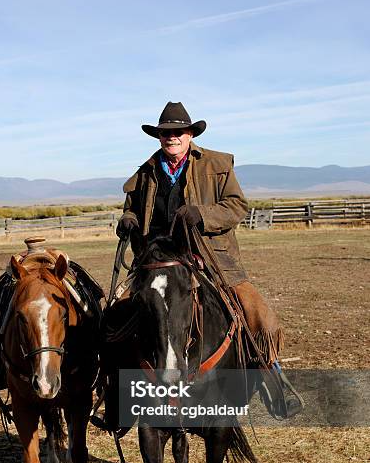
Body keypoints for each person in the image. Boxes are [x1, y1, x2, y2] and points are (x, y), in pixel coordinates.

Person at [116, 101, 302, 418]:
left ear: (189, 134)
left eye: (177, 132)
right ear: (158, 137)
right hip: (157, 263)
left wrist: (202, 215)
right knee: (116, 315)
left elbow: (236, 205)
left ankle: (276, 382)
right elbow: (132, 206)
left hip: (211, 262)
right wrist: (128, 219)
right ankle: (111, 393)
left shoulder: (216, 165)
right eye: (165, 133)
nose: (171, 137)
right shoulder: (145, 173)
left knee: (257, 314)